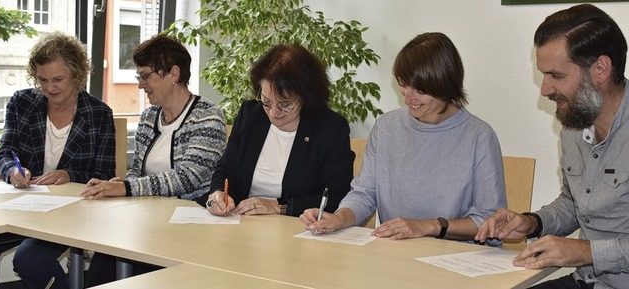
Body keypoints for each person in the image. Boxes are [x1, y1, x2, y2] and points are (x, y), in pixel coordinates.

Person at [475, 4, 628, 289]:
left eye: (556, 76)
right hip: (587, 281)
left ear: (600, 69)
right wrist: (532, 223)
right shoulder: (575, 123)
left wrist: (585, 252)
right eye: (543, 75)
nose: (545, 89)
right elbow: (575, 203)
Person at [301, 32, 507, 242]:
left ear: (444, 85)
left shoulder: (479, 137)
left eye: (419, 90)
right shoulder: (386, 127)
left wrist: (427, 226)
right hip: (397, 253)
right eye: (403, 84)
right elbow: (364, 194)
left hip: (455, 257)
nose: (408, 98)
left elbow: (489, 219)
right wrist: (339, 218)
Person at [79, 34, 226, 287]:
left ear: (174, 74)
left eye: (146, 76)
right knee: (101, 266)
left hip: (188, 227)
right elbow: (138, 170)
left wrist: (127, 188)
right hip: (146, 220)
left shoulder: (208, 116)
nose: (140, 85)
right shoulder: (149, 116)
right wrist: (122, 184)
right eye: (139, 77)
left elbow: (189, 177)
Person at [0, 32, 116, 289]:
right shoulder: (21, 103)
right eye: (43, 80)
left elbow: (104, 174)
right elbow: (4, 154)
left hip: (73, 213)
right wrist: (13, 170)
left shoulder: (99, 113)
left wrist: (70, 174)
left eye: (58, 79)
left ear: (77, 75)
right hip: (24, 209)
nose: (50, 88)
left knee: (30, 258)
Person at [199, 44, 354, 217]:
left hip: (297, 228)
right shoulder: (251, 115)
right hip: (242, 223)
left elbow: (334, 196)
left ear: (306, 96)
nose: (273, 113)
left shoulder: (330, 129)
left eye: (284, 105)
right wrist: (219, 195)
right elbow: (226, 170)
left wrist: (278, 206)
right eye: (266, 101)